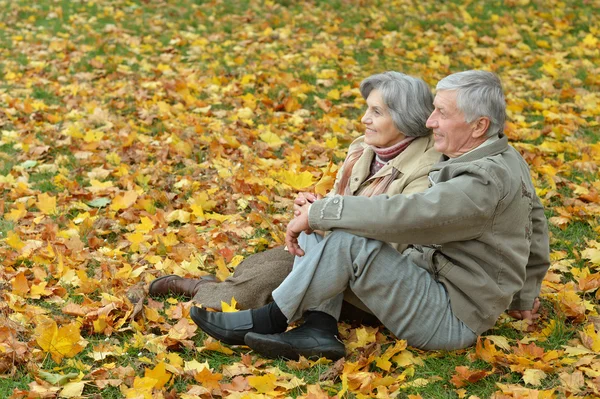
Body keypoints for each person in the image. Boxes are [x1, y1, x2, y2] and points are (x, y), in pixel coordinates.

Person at [191, 70, 550, 361]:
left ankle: (269, 318)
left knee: (343, 231)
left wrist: (324, 211)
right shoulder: (502, 156)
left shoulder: (481, 181)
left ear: (479, 126)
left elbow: (412, 216)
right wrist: (523, 299)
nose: (430, 121)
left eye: (442, 113)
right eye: (433, 109)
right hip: (435, 286)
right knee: (334, 224)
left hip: (451, 315)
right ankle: (318, 329)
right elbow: (534, 221)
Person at [148, 71, 440, 319]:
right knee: (265, 263)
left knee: (267, 282)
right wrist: (314, 209)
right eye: (367, 109)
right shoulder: (363, 148)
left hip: (377, 278)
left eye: (376, 112)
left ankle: (197, 288)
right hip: (335, 251)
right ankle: (225, 287)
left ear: (405, 119)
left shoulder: (425, 169)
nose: (364, 119)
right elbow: (339, 199)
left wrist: (323, 218)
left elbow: (396, 241)